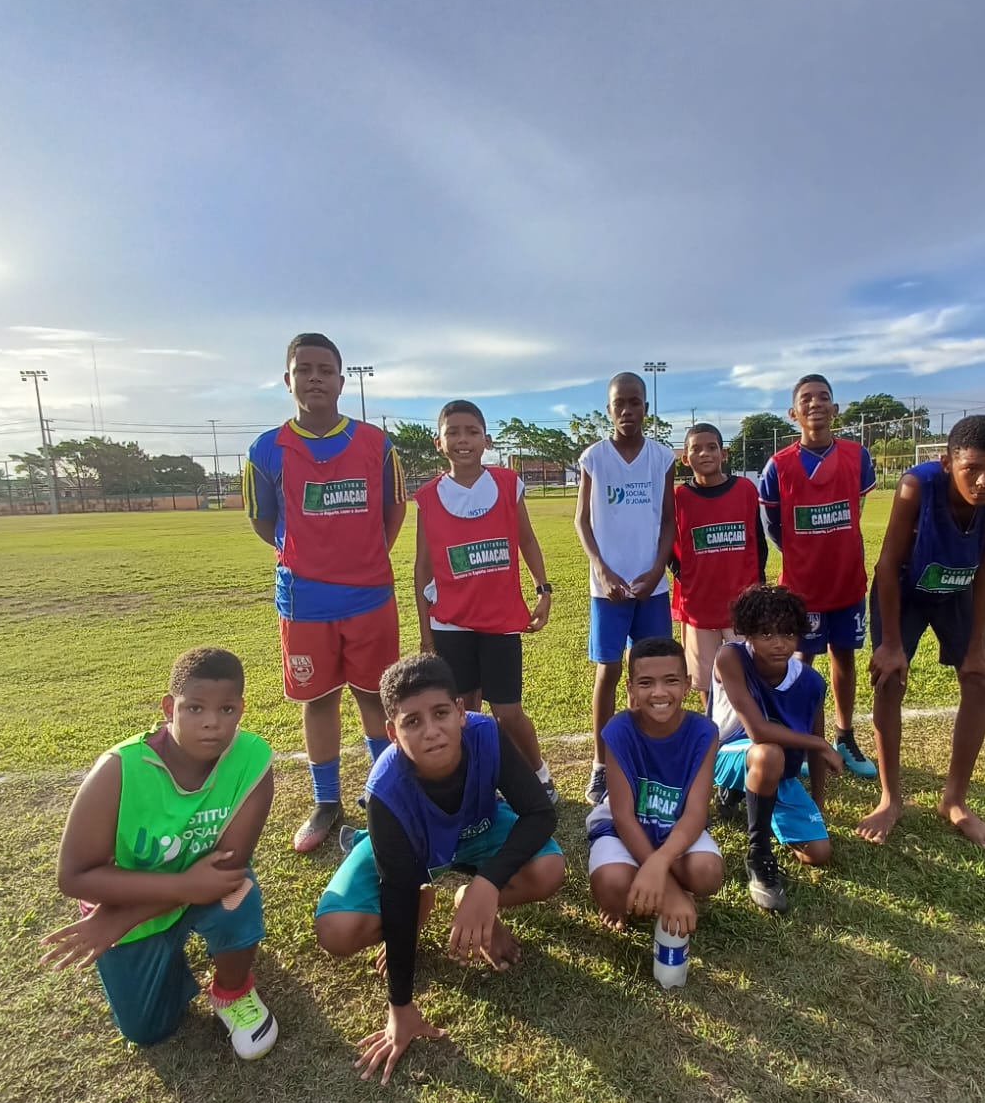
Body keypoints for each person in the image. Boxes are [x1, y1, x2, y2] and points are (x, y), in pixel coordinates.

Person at [313, 654, 565, 1086]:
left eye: (441, 713)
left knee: (548, 870)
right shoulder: (385, 791)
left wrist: (486, 886)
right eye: (412, 722)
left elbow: (539, 813)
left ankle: (467, 899)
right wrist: (401, 1007)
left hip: (479, 830)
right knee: (336, 931)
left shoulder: (487, 734)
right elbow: (394, 891)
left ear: (462, 713)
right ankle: (425, 896)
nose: (431, 731)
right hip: (409, 853)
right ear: (392, 733)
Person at [41, 648, 278, 1060]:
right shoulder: (118, 770)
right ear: (169, 707)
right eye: (195, 708)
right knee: (148, 1029)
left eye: (226, 709)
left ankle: (232, 990)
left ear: (240, 709)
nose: (211, 722)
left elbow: (226, 869)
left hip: (151, 903)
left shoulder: (253, 758)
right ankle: (171, 960)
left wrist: (121, 919)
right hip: (128, 895)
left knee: (237, 892)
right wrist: (181, 887)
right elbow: (75, 876)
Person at [244, 333, 405, 852]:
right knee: (318, 699)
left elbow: (393, 511)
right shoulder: (266, 449)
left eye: (325, 369)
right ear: (288, 380)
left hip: (369, 598)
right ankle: (327, 800)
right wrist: (312, 558)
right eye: (304, 369)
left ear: (341, 379)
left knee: (374, 697)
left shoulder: (377, 445)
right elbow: (263, 521)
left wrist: (360, 556)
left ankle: (387, 794)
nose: (315, 377)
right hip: (305, 601)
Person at [857, 415, 985, 851]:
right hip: (905, 590)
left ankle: (954, 800)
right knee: (889, 680)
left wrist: (977, 646)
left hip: (958, 589)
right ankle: (890, 798)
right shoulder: (917, 485)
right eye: (972, 469)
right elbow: (887, 566)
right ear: (948, 463)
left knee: (980, 680)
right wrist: (891, 644)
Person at [414, 399, 557, 802]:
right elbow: (422, 568)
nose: (463, 440)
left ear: (486, 440)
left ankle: (540, 774)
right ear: (439, 442)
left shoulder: (508, 483)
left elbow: (526, 539)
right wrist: (426, 635)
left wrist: (543, 590)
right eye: (453, 432)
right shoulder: (428, 496)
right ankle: (480, 785)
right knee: (464, 711)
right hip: (451, 623)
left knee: (507, 712)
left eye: (472, 432)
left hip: (501, 620)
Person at [758, 374, 877, 778]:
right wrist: (802, 552)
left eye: (823, 397)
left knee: (844, 655)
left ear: (835, 408)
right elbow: (773, 525)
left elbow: (855, 508)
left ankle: (844, 735)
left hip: (847, 580)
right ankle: (799, 738)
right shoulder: (779, 465)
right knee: (799, 660)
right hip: (801, 587)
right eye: (806, 399)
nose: (816, 404)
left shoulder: (857, 456)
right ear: (794, 414)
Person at [710, 586, 844, 913]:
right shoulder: (731, 657)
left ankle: (750, 795)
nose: (779, 643)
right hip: (724, 756)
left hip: (776, 767)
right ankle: (759, 855)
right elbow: (757, 731)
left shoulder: (811, 682)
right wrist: (820, 743)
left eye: (787, 633)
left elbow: (815, 746)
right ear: (748, 635)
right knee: (768, 751)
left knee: (817, 853)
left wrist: (818, 800)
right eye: (766, 633)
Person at [576, 371, 676, 805]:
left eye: (636, 403)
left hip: (651, 587)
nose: (628, 411)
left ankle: (652, 754)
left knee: (655, 674)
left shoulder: (662, 457)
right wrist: (601, 568)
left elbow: (670, 520)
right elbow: (581, 520)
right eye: (620, 404)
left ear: (646, 409)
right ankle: (601, 765)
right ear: (609, 410)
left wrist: (657, 570)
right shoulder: (594, 458)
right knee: (610, 670)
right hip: (609, 591)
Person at [586, 635, 723, 938]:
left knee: (707, 873)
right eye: (646, 683)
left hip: (673, 827)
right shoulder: (618, 730)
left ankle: (653, 878)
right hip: (623, 829)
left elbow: (696, 812)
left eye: (671, 680)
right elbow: (622, 817)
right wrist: (671, 891)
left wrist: (659, 863)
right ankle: (655, 889)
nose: (659, 692)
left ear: (687, 684)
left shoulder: (705, 733)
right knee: (611, 885)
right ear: (631, 690)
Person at [670, 423, 767, 704]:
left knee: (749, 674)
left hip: (742, 603)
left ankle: (748, 733)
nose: (705, 454)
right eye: (696, 449)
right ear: (685, 459)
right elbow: (668, 545)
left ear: (723, 453)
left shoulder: (745, 489)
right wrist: (684, 576)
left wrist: (756, 588)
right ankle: (715, 733)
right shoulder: (679, 498)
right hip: (698, 603)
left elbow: (757, 542)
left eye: (711, 447)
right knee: (705, 680)